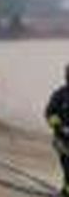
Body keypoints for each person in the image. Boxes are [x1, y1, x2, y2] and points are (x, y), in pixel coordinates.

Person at [45, 64, 69, 197]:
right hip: (62, 140)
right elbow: (50, 113)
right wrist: (60, 127)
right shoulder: (60, 95)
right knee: (68, 166)